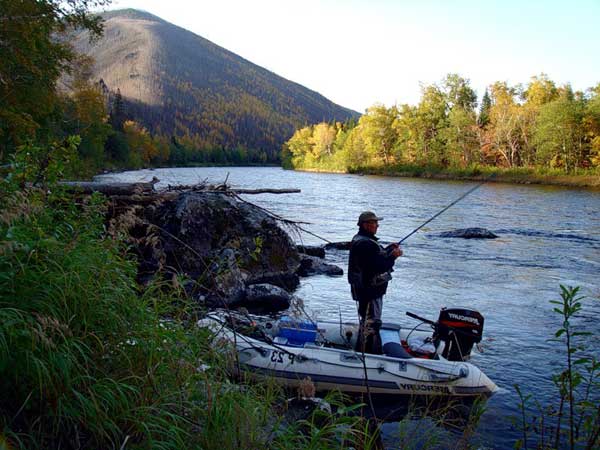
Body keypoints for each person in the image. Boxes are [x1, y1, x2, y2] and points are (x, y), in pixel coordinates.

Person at [348, 211, 402, 354]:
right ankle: (368, 354)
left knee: (367, 321)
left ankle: (364, 350)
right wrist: (393, 257)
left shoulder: (362, 240)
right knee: (372, 323)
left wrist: (389, 249)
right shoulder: (366, 244)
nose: (377, 225)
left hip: (364, 289)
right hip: (370, 291)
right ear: (366, 225)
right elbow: (377, 266)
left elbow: (374, 258)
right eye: (374, 223)